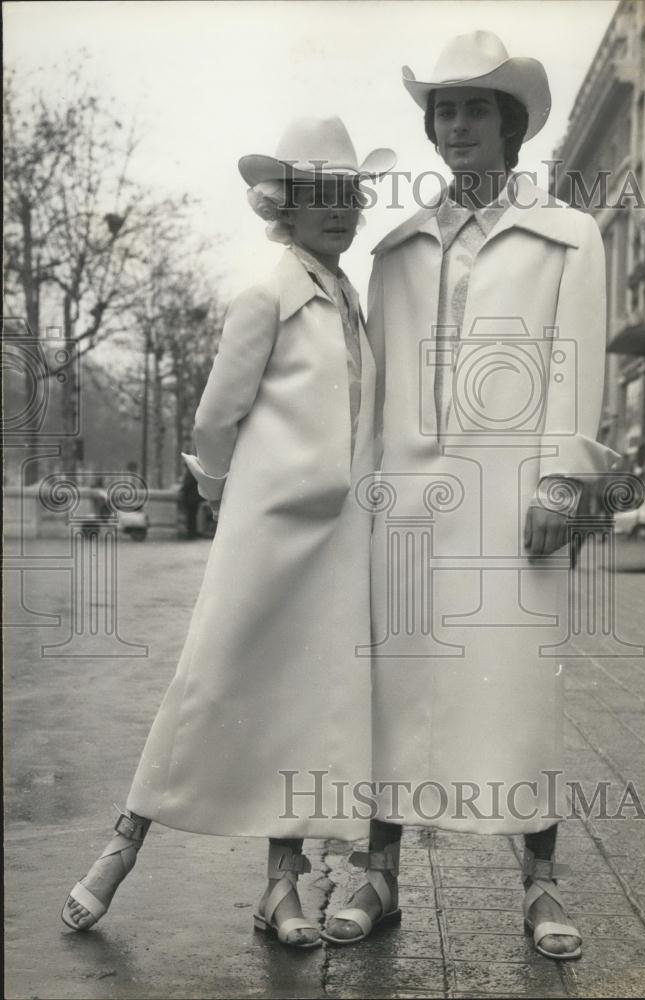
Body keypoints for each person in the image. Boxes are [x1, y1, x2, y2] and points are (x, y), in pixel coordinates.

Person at [61, 117, 396, 949]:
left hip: (334, 548)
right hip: (266, 538)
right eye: (321, 196)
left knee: (302, 708)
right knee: (207, 686)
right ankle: (119, 849)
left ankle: (280, 889)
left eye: (350, 196)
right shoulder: (268, 292)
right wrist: (220, 494)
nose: (341, 211)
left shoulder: (345, 296)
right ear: (283, 205)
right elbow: (216, 417)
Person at [322, 32, 618, 960]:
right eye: (444, 109)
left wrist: (564, 479)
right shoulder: (397, 249)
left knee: (517, 688)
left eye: (475, 109)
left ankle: (538, 884)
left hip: (511, 499)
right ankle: (379, 875)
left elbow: (577, 362)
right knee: (394, 686)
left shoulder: (566, 235)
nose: (456, 126)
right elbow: (370, 388)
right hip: (405, 504)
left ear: (510, 124)